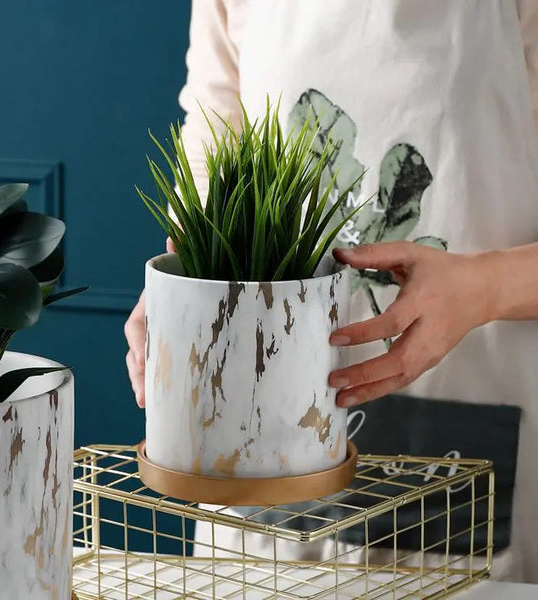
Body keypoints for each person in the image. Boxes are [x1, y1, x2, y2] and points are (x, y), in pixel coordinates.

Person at [125, 0, 538, 583]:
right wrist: (179, 290)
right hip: (257, 415)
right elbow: (212, 145)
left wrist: (482, 288)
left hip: (470, 405)